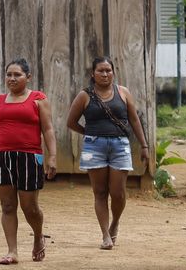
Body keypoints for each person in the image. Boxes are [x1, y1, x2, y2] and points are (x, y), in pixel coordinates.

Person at [64, 56, 150, 251]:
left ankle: (115, 222)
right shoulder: (84, 95)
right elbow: (71, 122)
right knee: (100, 192)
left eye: (108, 70)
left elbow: (135, 121)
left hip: (120, 145)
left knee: (118, 193)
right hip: (93, 147)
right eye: (100, 71)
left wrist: (144, 146)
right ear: (92, 74)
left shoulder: (123, 92)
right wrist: (90, 133)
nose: (104, 74)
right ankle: (105, 234)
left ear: (113, 72)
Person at [0, 58, 57, 265]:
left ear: (28, 77)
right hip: (2, 156)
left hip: (29, 157)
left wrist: (52, 156)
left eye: (17, 75)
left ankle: (38, 235)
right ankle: (12, 251)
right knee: (7, 206)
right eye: (9, 75)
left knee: (29, 207)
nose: (12, 79)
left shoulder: (38, 99)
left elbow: (48, 129)